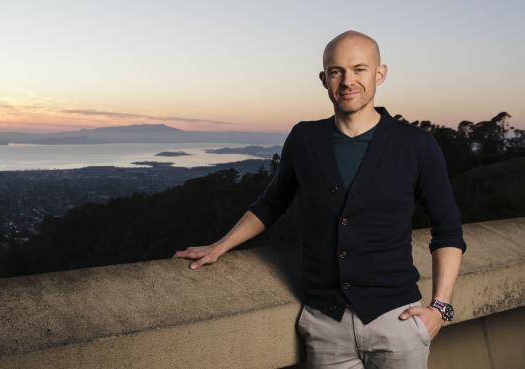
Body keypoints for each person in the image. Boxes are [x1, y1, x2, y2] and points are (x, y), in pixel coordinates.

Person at [173, 30, 466, 369]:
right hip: (326, 325)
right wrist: (220, 245)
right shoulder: (304, 138)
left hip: (398, 321)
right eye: (336, 71)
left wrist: (440, 308)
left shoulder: (416, 145)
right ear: (323, 79)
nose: (347, 81)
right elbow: (271, 204)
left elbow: (447, 230)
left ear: (380, 74)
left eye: (359, 69)